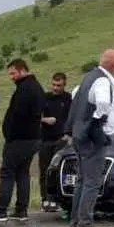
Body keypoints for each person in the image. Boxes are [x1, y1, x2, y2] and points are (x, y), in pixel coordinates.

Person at [63, 49, 114, 227]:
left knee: (82, 179)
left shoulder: (88, 78)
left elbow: (75, 98)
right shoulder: (102, 81)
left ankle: (76, 220)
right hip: (92, 138)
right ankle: (85, 222)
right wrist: (98, 124)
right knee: (92, 181)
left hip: (80, 135)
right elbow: (103, 103)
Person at [0, 59, 45, 222]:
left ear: (22, 70)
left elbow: (19, 115)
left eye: (13, 73)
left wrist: (10, 132)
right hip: (33, 138)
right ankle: (21, 209)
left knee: (7, 173)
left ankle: (1, 209)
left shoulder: (25, 89)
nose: (11, 77)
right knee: (23, 173)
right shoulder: (36, 87)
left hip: (19, 139)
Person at [39, 72, 72, 212]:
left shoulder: (68, 98)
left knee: (58, 170)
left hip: (61, 140)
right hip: (45, 139)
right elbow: (34, 115)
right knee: (44, 170)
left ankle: (57, 200)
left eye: (59, 85)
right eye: (53, 85)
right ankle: (45, 199)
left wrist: (68, 135)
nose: (55, 88)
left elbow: (72, 117)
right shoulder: (45, 97)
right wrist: (45, 120)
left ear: (64, 85)